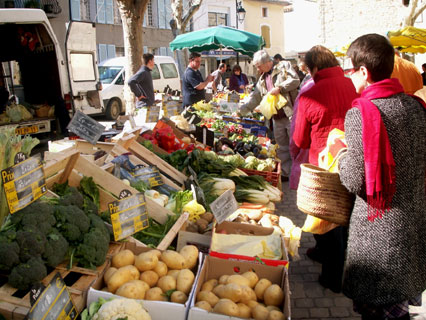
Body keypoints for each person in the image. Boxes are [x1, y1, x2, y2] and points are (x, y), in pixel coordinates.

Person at [340, 33, 426, 320]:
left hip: (378, 234)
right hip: (413, 226)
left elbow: (355, 180)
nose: (348, 77)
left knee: (377, 312)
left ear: (364, 72)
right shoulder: (416, 107)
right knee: (398, 310)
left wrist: (340, 155)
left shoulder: (361, 114)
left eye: (349, 71)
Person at [292, 45, 358, 293]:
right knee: (347, 217)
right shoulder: (355, 85)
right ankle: (338, 263)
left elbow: (300, 139)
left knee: (327, 219)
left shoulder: (311, 93)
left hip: (324, 167)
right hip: (355, 160)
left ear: (315, 68)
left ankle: (332, 279)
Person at [239, 49, 300, 181]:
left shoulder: (283, 66)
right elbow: (255, 97)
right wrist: (241, 110)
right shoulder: (262, 79)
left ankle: (298, 174)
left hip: (291, 113)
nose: (257, 69)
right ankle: (285, 173)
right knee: (281, 146)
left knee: (295, 144)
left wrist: (280, 88)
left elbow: (295, 80)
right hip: (276, 117)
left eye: (258, 66)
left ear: (267, 62)